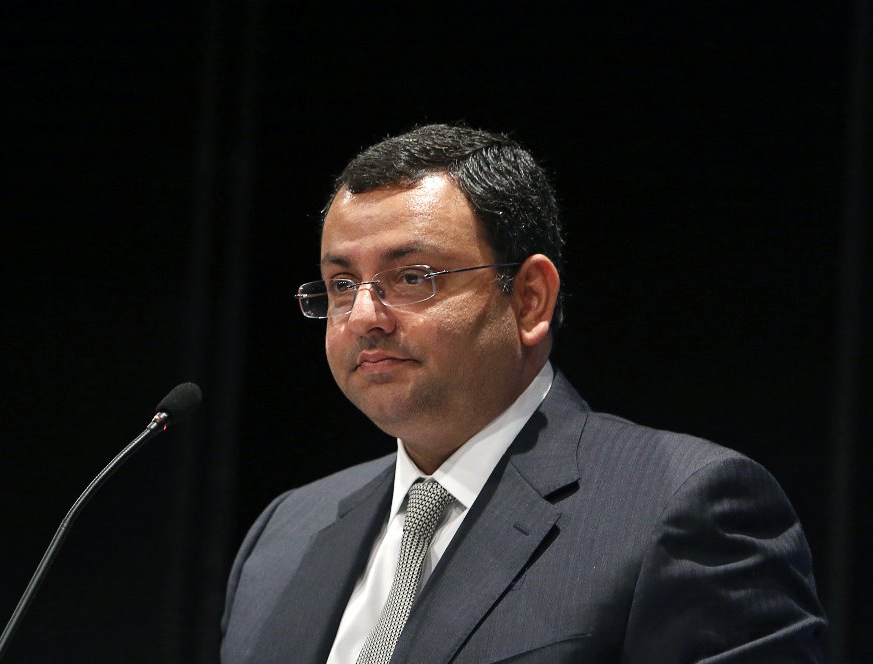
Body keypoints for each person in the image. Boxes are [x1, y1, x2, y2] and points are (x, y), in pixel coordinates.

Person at [220, 124, 826, 663]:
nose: (364, 316)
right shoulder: (285, 534)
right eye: (341, 284)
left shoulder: (682, 506)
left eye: (413, 278)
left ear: (530, 298)